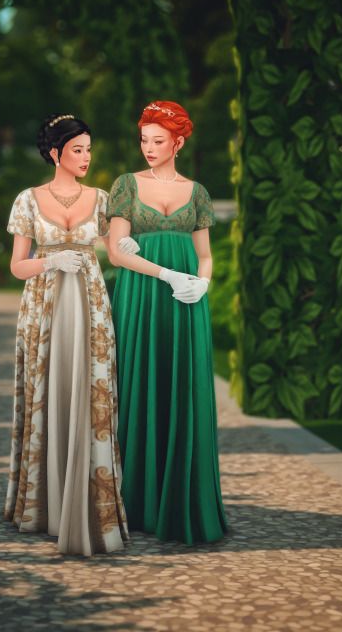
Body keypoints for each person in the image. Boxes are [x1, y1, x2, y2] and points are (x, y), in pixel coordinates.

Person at [4, 113, 128, 555]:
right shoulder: (29, 200)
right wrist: (50, 262)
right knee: (50, 390)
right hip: (45, 305)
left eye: (89, 149)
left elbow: (116, 251)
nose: (86, 157)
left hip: (92, 304)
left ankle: (91, 506)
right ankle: (47, 507)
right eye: (78, 149)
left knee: (89, 393)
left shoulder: (102, 198)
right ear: (56, 153)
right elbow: (17, 266)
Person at [107, 100, 229, 544]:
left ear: (178, 142)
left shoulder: (197, 192)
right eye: (144, 140)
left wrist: (205, 283)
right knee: (140, 384)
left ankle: (183, 503)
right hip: (142, 297)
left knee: (184, 389)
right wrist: (168, 274)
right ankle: (136, 503)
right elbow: (116, 249)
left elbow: (206, 255)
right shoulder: (126, 185)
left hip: (186, 301)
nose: (149, 148)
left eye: (158, 141)